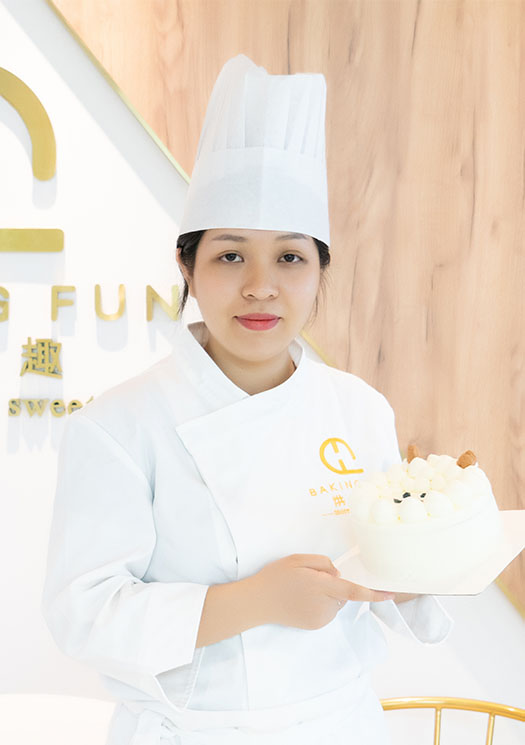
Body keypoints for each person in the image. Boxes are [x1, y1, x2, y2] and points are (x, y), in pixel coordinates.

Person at [41, 55, 452, 745]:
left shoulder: (358, 409)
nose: (261, 285)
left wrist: (421, 567)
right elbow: (83, 614)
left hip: (341, 727)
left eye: (290, 257)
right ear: (186, 265)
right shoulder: (119, 425)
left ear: (319, 271)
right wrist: (254, 601)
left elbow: (393, 574)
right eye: (230, 255)